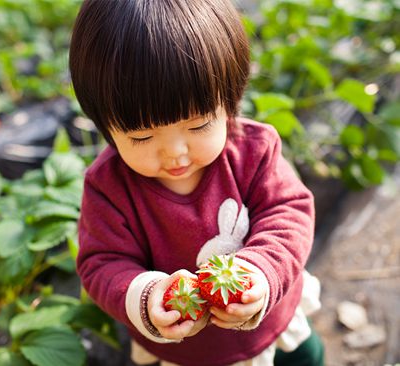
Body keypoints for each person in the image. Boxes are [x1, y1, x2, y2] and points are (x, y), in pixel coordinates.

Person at [70, 1, 324, 365]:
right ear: (105, 126)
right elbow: (101, 262)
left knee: (307, 358)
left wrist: (261, 271)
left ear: (230, 101)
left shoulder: (253, 152)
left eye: (198, 126)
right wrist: (146, 295)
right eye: (142, 137)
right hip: (190, 351)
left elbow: (289, 211)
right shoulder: (108, 187)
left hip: (272, 322)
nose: (175, 153)